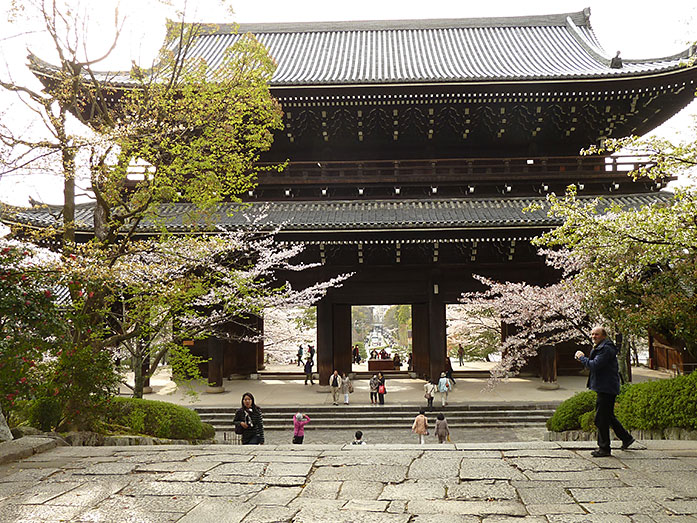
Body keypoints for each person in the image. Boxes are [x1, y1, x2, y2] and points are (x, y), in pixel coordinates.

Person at [575, 327, 635, 457]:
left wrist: (582, 358)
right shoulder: (602, 346)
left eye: (596, 334)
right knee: (608, 416)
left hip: (606, 388)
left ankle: (604, 448)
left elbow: (595, 365)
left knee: (601, 418)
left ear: (603, 336)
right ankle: (626, 438)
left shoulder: (606, 349)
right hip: (604, 386)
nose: (593, 336)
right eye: (592, 334)